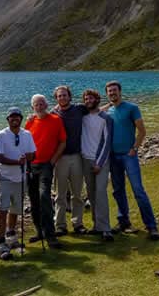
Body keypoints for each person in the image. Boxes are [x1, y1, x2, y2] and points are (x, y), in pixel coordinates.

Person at [105, 81, 159, 240]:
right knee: (117, 190)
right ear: (107, 94)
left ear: (120, 91)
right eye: (109, 91)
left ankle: (152, 226)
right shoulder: (108, 110)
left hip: (128, 156)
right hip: (113, 157)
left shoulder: (132, 108)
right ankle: (123, 221)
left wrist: (134, 149)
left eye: (114, 90)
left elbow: (142, 131)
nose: (112, 93)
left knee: (138, 190)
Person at [0, 107, 36, 259]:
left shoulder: (27, 134)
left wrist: (27, 158)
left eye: (17, 117)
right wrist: (16, 162)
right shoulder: (1, 135)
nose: (15, 119)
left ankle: (11, 236)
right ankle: (0, 241)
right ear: (8, 119)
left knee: (16, 209)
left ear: (21, 119)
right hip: (5, 177)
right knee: (2, 209)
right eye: (12, 117)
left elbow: (32, 154)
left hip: (21, 178)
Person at [25, 94, 66, 249]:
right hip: (31, 166)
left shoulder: (55, 120)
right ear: (32, 107)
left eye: (42, 103)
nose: (39, 106)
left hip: (46, 165)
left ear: (46, 105)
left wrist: (53, 160)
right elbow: (24, 142)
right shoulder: (29, 122)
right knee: (34, 199)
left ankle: (50, 235)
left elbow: (63, 141)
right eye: (36, 104)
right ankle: (39, 231)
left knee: (44, 197)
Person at [51, 85, 88, 236]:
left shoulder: (79, 109)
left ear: (70, 96)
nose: (62, 98)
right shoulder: (53, 113)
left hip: (77, 156)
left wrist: (111, 105)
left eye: (64, 95)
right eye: (59, 96)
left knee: (77, 194)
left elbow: (95, 109)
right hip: (60, 158)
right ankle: (60, 225)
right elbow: (40, 118)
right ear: (56, 98)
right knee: (60, 194)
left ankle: (77, 223)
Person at [80, 89, 114, 241]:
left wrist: (99, 163)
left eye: (91, 98)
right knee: (91, 194)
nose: (88, 101)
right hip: (85, 159)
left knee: (101, 193)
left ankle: (106, 228)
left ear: (97, 99)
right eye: (86, 99)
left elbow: (107, 142)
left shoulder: (105, 118)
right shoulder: (82, 116)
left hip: (101, 160)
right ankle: (96, 226)